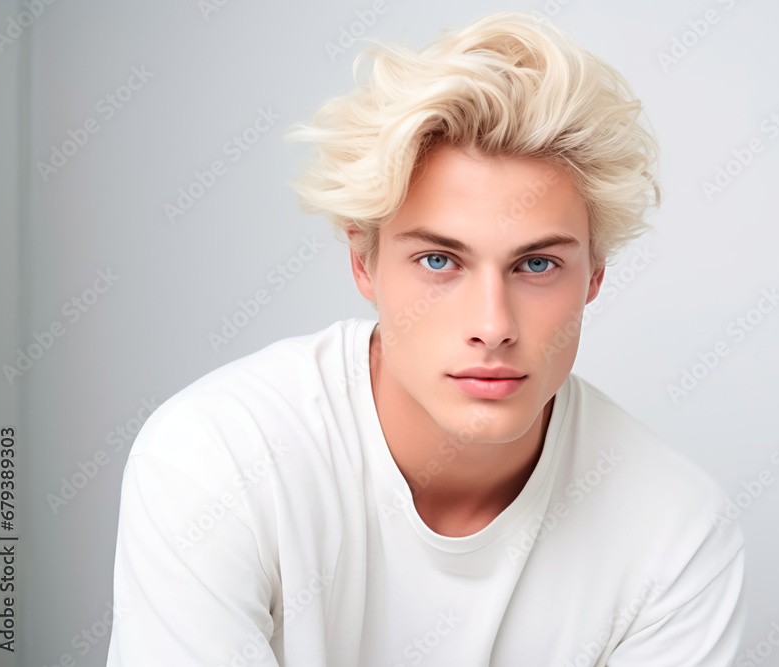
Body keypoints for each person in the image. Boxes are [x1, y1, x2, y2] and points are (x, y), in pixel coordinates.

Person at [106, 10, 745, 666]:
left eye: (537, 264)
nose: (493, 326)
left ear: (594, 275)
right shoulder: (219, 459)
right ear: (364, 263)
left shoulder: (675, 529)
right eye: (440, 261)